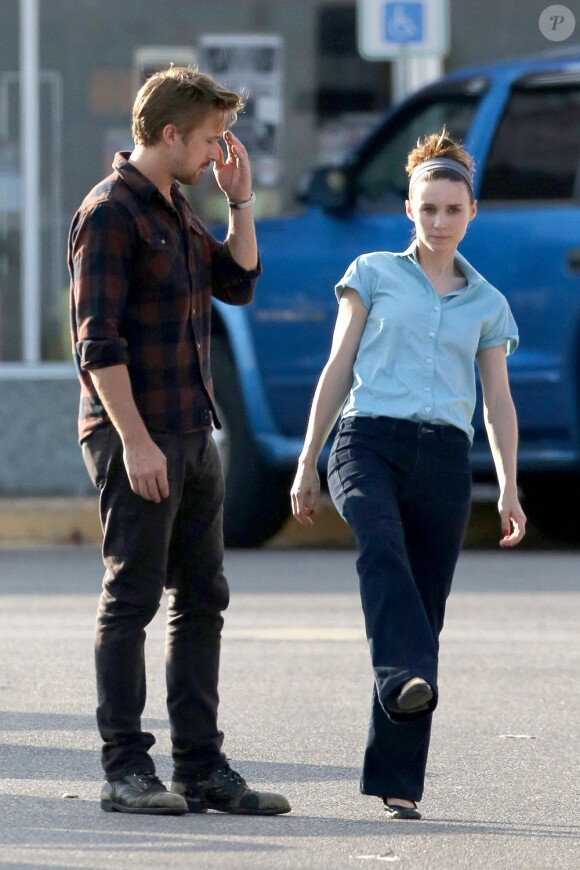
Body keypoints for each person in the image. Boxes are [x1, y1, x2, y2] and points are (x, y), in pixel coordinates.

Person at [68, 66, 290, 817]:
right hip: (139, 434)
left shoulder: (179, 206)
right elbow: (97, 345)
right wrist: (133, 441)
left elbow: (239, 281)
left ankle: (201, 768)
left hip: (195, 433)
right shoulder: (108, 213)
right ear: (170, 135)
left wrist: (240, 202)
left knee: (203, 599)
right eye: (209, 140)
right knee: (131, 598)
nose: (217, 151)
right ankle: (126, 769)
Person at [290, 128, 526, 821]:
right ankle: (400, 678)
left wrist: (509, 483)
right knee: (383, 556)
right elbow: (337, 370)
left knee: (423, 616)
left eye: (453, 210)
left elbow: (499, 402)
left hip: (445, 461)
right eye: (429, 209)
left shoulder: (488, 304)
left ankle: (398, 780)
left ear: (472, 213)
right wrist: (308, 460)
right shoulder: (371, 273)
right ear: (409, 209)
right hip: (366, 444)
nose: (440, 222)